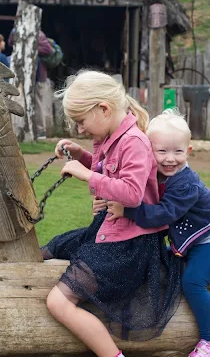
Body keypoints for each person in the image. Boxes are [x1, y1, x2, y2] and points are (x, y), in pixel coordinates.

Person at [42, 71, 182, 357]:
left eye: (81, 121)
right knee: (52, 248)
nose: (80, 129)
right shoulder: (112, 138)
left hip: (130, 246)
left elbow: (131, 192)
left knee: (58, 302)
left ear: (103, 109)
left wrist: (85, 176)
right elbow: (108, 168)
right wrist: (80, 154)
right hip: (111, 230)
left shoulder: (134, 142)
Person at [96, 109, 210, 357]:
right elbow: (116, 170)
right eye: (161, 151)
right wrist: (90, 165)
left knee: (193, 282)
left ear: (189, 151)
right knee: (151, 261)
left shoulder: (186, 184)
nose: (170, 159)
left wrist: (126, 211)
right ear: (148, 150)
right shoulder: (156, 173)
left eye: (178, 152)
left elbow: (163, 214)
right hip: (191, 244)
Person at [8, 29, 54, 139]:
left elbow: (48, 50)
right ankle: (22, 129)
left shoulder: (37, 32)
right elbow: (11, 42)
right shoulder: (16, 30)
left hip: (38, 75)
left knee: (38, 102)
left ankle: (40, 131)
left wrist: (30, 47)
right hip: (21, 73)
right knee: (21, 100)